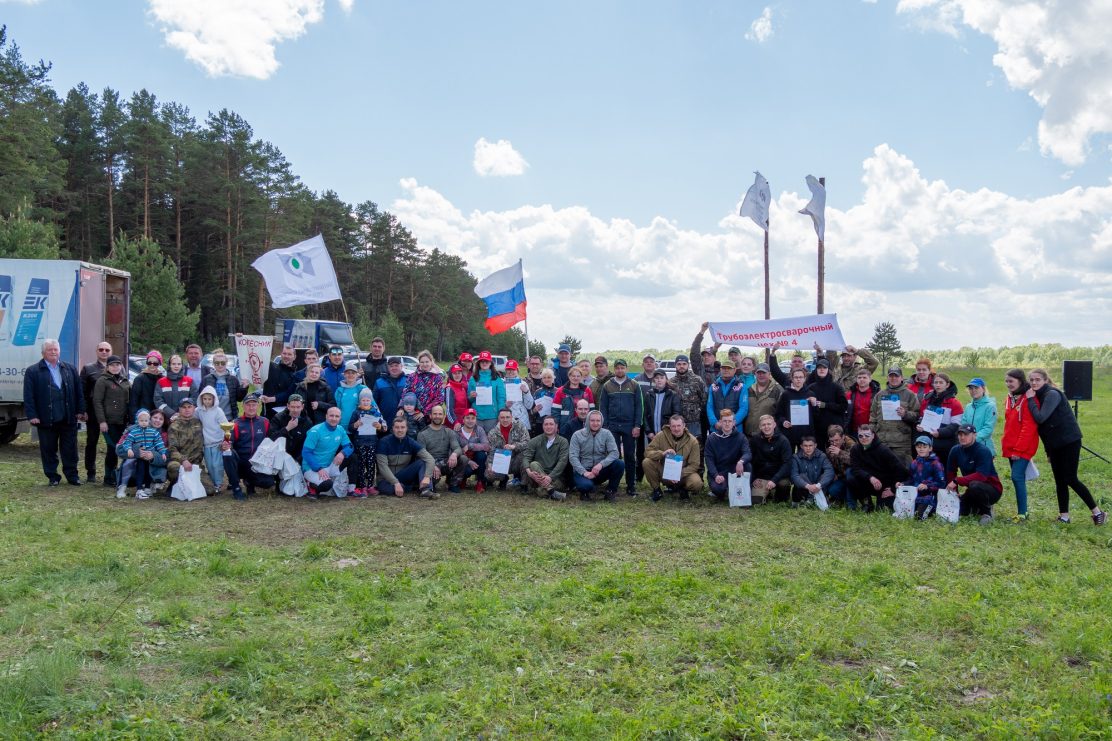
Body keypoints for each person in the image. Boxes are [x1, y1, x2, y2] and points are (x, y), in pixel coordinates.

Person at [1026, 368, 1105, 525]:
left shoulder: (1052, 394)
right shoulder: (1039, 396)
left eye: (1037, 380)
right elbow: (1045, 429)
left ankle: (1098, 512)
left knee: (1070, 478)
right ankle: (1064, 516)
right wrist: (1049, 451)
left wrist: (1029, 400)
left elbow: (1041, 418)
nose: (1034, 383)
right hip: (1055, 444)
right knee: (1059, 481)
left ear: (1045, 380)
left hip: (1069, 441)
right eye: (1032, 380)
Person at [24, 339, 86, 486]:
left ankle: (72, 476)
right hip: (46, 418)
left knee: (70, 449)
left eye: (55, 349)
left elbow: (79, 391)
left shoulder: (69, 369)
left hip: (68, 417)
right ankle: (53, 476)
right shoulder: (33, 371)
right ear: (43, 353)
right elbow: (28, 395)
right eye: (50, 349)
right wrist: (32, 415)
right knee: (48, 449)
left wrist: (80, 410)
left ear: (59, 351)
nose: (53, 352)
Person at [596, 358, 643, 496]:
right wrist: (605, 426)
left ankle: (630, 485)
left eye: (622, 368)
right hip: (612, 426)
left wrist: (637, 425)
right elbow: (602, 407)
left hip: (629, 426)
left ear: (626, 369)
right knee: (613, 456)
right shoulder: (607, 386)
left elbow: (640, 407)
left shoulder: (634, 385)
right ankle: (613, 485)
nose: (620, 370)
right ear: (614, 369)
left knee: (630, 456)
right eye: (617, 368)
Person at [1001, 369, 1039, 522]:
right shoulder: (1010, 398)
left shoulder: (1028, 399)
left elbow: (1028, 427)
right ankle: (1023, 511)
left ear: (1020, 381)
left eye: (1011, 381)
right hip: (1011, 445)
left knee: (1016, 477)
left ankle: (1022, 514)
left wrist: (1018, 449)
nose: (1008, 384)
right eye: (1007, 381)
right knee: (1019, 478)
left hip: (1022, 447)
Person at [945, 424, 1003, 524]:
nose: (962, 437)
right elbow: (951, 472)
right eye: (960, 434)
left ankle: (987, 513)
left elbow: (981, 476)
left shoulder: (983, 451)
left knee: (975, 484)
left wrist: (957, 480)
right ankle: (976, 508)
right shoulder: (955, 450)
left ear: (974, 435)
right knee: (959, 511)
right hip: (971, 490)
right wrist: (954, 493)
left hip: (992, 489)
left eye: (966, 434)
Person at [221, 392, 274, 500]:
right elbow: (228, 443)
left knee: (268, 483)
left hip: (257, 463)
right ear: (243, 406)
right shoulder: (235, 423)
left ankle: (249, 482)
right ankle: (236, 488)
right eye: (248, 405)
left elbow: (271, 442)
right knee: (228, 454)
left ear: (258, 406)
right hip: (240, 462)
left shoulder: (265, 422)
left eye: (254, 405)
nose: (251, 407)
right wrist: (226, 446)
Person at [847, 424, 908, 512]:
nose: (863, 438)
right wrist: (870, 478)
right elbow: (855, 468)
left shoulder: (883, 450)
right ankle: (867, 501)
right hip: (868, 481)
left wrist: (893, 489)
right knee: (850, 474)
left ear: (873, 436)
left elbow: (902, 471)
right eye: (860, 436)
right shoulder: (855, 449)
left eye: (867, 435)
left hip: (885, 484)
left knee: (883, 509)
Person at [643, 414, 702, 501]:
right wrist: (662, 453)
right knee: (647, 462)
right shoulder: (661, 435)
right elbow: (647, 452)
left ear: (684, 426)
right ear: (669, 427)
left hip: (683, 475)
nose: (676, 429)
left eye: (679, 426)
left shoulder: (693, 441)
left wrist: (678, 474)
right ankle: (657, 490)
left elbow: (694, 465)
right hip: (665, 473)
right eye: (673, 426)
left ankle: (683, 490)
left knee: (697, 483)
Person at [92, 354, 130, 488]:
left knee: (123, 449)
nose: (115, 367)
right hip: (109, 421)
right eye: (112, 365)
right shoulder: (102, 381)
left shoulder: (125, 381)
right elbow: (97, 402)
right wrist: (102, 421)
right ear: (107, 367)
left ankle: (122, 475)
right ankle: (109, 477)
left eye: (118, 365)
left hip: (123, 421)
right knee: (112, 448)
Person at [165, 397, 215, 497]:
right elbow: (172, 448)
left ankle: (188, 484)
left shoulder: (199, 422)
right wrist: (183, 460)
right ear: (179, 409)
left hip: (196, 465)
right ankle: (175, 483)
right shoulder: (174, 426)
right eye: (184, 407)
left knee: (209, 491)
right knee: (173, 467)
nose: (187, 409)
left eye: (189, 407)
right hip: (180, 463)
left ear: (194, 408)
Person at [869, 367, 921, 463]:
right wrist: (873, 433)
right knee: (882, 469)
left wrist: (905, 414)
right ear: (888, 378)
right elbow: (873, 416)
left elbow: (917, 415)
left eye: (896, 376)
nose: (893, 378)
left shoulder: (910, 395)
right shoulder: (879, 395)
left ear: (901, 378)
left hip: (901, 442)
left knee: (902, 471)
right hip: (882, 440)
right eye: (891, 376)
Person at [569, 410, 623, 502]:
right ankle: (585, 492)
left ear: (601, 421)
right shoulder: (577, 435)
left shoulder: (607, 434)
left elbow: (614, 453)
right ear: (587, 421)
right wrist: (584, 472)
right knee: (586, 486)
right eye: (592, 420)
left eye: (598, 421)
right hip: (583, 471)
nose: (595, 423)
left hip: (599, 471)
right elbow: (573, 457)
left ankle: (610, 491)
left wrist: (601, 465)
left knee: (619, 464)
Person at [376, 417, 436, 498]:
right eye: (397, 427)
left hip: (403, 475)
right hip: (386, 479)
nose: (400, 430)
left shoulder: (411, 442)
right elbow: (382, 467)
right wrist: (396, 483)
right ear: (393, 428)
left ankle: (425, 490)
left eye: (402, 427)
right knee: (388, 490)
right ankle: (409, 487)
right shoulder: (383, 442)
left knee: (422, 462)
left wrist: (427, 477)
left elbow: (430, 459)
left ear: (407, 428)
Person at [302, 406, 355, 499]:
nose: (334, 419)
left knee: (353, 457)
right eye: (331, 416)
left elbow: (350, 446)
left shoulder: (340, 429)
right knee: (327, 485)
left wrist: (342, 453)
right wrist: (318, 468)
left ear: (340, 418)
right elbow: (306, 452)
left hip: (329, 465)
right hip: (312, 468)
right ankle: (311, 486)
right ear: (326, 416)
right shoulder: (315, 431)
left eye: (337, 416)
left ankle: (351, 490)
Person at [114, 408, 167, 499]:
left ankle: (151, 484)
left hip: (153, 463)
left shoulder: (164, 434)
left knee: (155, 464)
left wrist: (153, 456)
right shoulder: (133, 430)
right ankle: (123, 486)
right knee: (130, 462)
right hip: (136, 461)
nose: (157, 421)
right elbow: (119, 448)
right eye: (155, 417)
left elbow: (166, 454)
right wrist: (136, 451)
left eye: (161, 419)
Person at [80, 341, 112, 482]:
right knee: (92, 442)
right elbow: (82, 392)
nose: (104, 352)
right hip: (93, 412)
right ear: (96, 351)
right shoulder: (88, 369)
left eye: (107, 349)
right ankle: (90, 472)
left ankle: (110, 472)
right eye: (101, 349)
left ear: (111, 351)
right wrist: (83, 410)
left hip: (112, 413)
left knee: (112, 444)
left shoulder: (118, 367)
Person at [916, 372, 964, 465]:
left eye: (941, 382)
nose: (938, 385)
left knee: (946, 471)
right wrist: (919, 425)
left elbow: (956, 425)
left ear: (947, 385)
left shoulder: (954, 403)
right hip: (928, 445)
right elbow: (921, 417)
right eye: (936, 382)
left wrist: (940, 433)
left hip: (946, 445)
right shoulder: (927, 400)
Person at [704, 409, 751, 501]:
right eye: (724, 421)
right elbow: (709, 460)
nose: (727, 424)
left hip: (734, 470)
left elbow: (747, 453)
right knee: (718, 490)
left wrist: (741, 461)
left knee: (747, 465)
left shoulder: (741, 437)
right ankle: (725, 490)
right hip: (719, 472)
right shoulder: (712, 438)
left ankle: (743, 490)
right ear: (720, 422)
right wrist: (716, 475)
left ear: (734, 423)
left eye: (729, 421)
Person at [346, 389, 385, 496]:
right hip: (360, 442)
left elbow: (383, 427)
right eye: (363, 400)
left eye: (368, 400)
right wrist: (356, 424)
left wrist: (379, 426)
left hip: (372, 442)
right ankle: (362, 486)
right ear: (360, 401)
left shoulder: (375, 412)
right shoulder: (356, 412)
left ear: (371, 401)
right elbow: (350, 427)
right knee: (362, 464)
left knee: (371, 464)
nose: (366, 402)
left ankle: (370, 486)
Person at [417, 405, 464, 493]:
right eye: (435, 414)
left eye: (440, 414)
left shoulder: (449, 431)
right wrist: (432, 465)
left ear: (444, 416)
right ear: (430, 416)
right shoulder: (422, 434)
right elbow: (421, 455)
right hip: (429, 464)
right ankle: (430, 484)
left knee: (463, 459)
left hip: (446, 463)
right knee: (431, 480)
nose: (437, 416)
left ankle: (453, 484)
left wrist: (454, 454)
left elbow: (457, 448)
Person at [522, 416, 570, 500]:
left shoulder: (563, 442)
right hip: (537, 476)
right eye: (546, 424)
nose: (548, 426)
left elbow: (562, 462)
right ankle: (551, 491)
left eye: (551, 424)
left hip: (555, 478)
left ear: (556, 426)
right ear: (542, 426)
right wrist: (529, 473)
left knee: (542, 492)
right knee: (533, 464)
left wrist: (550, 477)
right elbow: (526, 457)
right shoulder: (535, 440)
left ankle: (544, 490)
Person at [748, 414, 793, 504]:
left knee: (783, 486)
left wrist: (774, 480)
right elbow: (750, 461)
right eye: (763, 425)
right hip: (762, 477)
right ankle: (767, 493)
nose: (766, 427)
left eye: (769, 424)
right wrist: (753, 479)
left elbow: (787, 463)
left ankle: (776, 495)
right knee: (756, 502)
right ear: (760, 427)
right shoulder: (754, 440)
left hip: (778, 477)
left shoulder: (783, 440)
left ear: (774, 425)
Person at [804, 359, 847, 450]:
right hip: (817, 430)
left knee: (834, 457)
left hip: (833, 432)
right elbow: (805, 407)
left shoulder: (837, 387)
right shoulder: (811, 387)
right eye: (819, 367)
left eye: (824, 367)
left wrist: (825, 405)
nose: (822, 369)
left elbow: (843, 407)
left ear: (828, 370)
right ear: (816, 370)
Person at [902, 435, 946, 519]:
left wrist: (927, 486)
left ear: (930, 448)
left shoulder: (936, 463)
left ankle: (932, 510)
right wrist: (903, 484)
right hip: (915, 496)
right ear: (915, 448)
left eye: (924, 447)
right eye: (919, 447)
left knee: (919, 516)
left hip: (930, 498)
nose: (921, 449)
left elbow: (941, 483)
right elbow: (911, 480)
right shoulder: (914, 463)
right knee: (904, 514)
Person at [486, 408, 530, 489]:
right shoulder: (493, 432)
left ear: (511, 417)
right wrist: (490, 464)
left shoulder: (520, 426)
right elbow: (491, 451)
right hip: (501, 462)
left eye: (507, 417)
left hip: (516, 460)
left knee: (526, 456)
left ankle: (524, 484)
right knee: (489, 475)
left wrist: (514, 446)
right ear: (498, 418)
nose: (505, 420)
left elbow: (527, 443)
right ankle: (503, 478)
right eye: (502, 417)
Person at [196, 385, 229, 492]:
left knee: (217, 464)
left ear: (214, 399)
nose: (207, 401)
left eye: (209, 399)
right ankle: (213, 483)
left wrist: (225, 439)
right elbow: (193, 419)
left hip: (217, 442)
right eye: (204, 399)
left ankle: (218, 483)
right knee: (209, 465)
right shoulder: (199, 410)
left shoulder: (218, 411)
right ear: (201, 399)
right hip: (206, 443)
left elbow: (225, 425)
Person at [789, 436, 835, 507]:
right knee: (801, 476)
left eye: (810, 445)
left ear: (815, 445)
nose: (808, 448)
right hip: (803, 488)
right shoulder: (796, 457)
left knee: (824, 476)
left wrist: (819, 485)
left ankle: (814, 499)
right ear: (801, 446)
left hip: (818, 487)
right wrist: (808, 486)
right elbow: (794, 475)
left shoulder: (822, 456)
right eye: (805, 446)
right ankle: (811, 499)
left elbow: (830, 471)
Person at [268, 393, 312, 467]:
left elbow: (307, 445)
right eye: (293, 407)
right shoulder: (278, 418)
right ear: (288, 406)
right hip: (277, 456)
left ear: (302, 407)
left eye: (298, 407)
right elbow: (271, 438)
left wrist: (296, 461)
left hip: (297, 459)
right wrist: (287, 428)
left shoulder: (307, 422)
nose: (295, 410)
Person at [671, 354, 707, 441]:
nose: (681, 366)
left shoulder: (697, 380)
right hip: (677, 424)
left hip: (695, 423)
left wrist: (697, 412)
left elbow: (704, 399)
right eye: (679, 364)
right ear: (675, 365)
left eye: (684, 364)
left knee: (697, 449)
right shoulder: (671, 382)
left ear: (688, 365)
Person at [201, 349, 245, 421]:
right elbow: (201, 398)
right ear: (213, 363)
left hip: (229, 418)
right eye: (217, 363)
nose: (220, 365)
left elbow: (239, 398)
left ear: (226, 363)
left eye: (223, 363)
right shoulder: (206, 379)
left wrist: (244, 388)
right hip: (211, 417)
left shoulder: (233, 379)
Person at [776, 368, 813, 451]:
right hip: (790, 433)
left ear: (805, 378)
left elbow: (816, 415)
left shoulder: (810, 394)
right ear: (791, 379)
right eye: (796, 377)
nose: (798, 379)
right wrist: (783, 422)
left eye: (801, 377)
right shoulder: (786, 394)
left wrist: (814, 404)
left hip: (806, 434)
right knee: (788, 458)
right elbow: (778, 414)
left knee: (805, 459)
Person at [468, 351, 506, 432]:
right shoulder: (473, 379)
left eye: (486, 361)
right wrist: (471, 396)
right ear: (478, 363)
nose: (484, 363)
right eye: (482, 361)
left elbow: (501, 398)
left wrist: (501, 412)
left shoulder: (497, 379)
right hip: (477, 416)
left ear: (490, 363)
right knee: (477, 442)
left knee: (491, 441)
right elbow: (469, 399)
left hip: (492, 416)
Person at [455, 409, 491, 492]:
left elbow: (486, 446)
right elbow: (454, 449)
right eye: (468, 418)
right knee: (467, 470)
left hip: (477, 461)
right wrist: (468, 461)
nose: (470, 421)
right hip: (463, 460)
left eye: (473, 418)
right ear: (463, 419)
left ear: (476, 420)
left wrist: (470, 445)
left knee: (481, 455)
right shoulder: (457, 431)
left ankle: (480, 482)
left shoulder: (479, 430)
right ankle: (462, 479)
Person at [959, 377, 997, 455]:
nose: (973, 390)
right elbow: (963, 424)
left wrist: (972, 439)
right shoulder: (968, 406)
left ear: (983, 389)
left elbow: (988, 428)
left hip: (983, 448)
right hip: (968, 446)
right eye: (971, 388)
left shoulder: (990, 406)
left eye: (976, 387)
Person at [706, 360, 747, 432]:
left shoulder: (741, 386)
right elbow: (709, 406)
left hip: (735, 429)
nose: (726, 370)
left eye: (729, 368)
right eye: (724, 368)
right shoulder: (713, 386)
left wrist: (732, 423)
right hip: (716, 429)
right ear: (720, 370)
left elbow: (744, 408)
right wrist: (715, 423)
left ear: (734, 370)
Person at [261, 344, 299, 419]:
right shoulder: (270, 367)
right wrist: (241, 339)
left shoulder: (296, 375)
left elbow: (289, 393)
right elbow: (257, 355)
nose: (286, 356)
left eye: (289, 354)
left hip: (284, 415)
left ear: (294, 357)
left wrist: (271, 399)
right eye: (284, 353)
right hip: (267, 413)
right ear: (281, 354)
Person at [553, 366, 595, 433]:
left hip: (583, 425)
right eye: (573, 376)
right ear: (569, 376)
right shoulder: (561, 391)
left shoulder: (587, 390)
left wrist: (592, 423)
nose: (575, 378)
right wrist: (555, 425)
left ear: (581, 377)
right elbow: (555, 411)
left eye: (578, 376)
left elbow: (592, 409)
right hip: (566, 425)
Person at [744, 363, 782, 437]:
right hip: (749, 435)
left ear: (769, 374)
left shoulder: (777, 390)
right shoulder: (749, 390)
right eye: (759, 373)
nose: (761, 375)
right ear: (755, 374)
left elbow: (781, 414)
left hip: (768, 435)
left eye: (764, 373)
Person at [643, 369, 681, 442]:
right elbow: (645, 415)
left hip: (668, 434)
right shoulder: (649, 395)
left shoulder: (673, 395)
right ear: (654, 380)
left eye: (661, 378)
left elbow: (676, 415)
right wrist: (648, 431)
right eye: (657, 378)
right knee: (654, 453)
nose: (659, 380)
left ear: (666, 379)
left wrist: (669, 430)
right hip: (652, 435)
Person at [154, 354, 197, 418]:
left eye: (179, 364)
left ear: (182, 366)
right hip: (166, 417)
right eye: (173, 364)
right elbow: (158, 400)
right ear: (169, 365)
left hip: (185, 418)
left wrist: (184, 412)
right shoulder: (161, 382)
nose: (176, 366)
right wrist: (171, 413)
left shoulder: (189, 381)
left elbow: (194, 399)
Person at [373, 357, 409, 431]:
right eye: (391, 366)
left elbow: (413, 400)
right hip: (385, 421)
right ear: (388, 367)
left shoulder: (408, 380)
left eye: (396, 365)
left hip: (404, 423)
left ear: (401, 366)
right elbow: (374, 403)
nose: (394, 368)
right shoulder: (379, 382)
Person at [824, 424, 856, 508]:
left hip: (854, 477)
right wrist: (834, 474)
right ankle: (842, 499)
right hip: (841, 477)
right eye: (831, 441)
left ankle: (851, 504)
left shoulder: (852, 445)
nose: (834, 443)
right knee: (833, 490)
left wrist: (840, 453)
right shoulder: (829, 447)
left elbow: (855, 462)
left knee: (849, 474)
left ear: (843, 437)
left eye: (836, 440)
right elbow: (829, 464)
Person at [406, 350, 445, 417]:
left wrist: (425, 411)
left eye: (427, 362)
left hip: (430, 415)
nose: (425, 364)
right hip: (414, 414)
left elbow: (440, 398)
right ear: (419, 363)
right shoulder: (412, 377)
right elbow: (406, 394)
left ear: (431, 362)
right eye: (422, 362)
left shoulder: (437, 378)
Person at [845, 367, 879, 437]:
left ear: (870, 379)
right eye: (859, 377)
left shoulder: (877, 395)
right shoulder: (850, 395)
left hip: (871, 430)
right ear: (856, 379)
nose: (861, 380)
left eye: (864, 377)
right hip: (854, 431)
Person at [334, 360, 369, 428]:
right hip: (342, 426)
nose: (350, 375)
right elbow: (336, 408)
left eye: (353, 373)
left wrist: (381, 421)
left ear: (357, 375)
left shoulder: (363, 389)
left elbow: (373, 406)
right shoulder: (339, 390)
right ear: (344, 375)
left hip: (359, 426)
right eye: (348, 373)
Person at [129, 350, 163, 420]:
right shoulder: (139, 379)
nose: (152, 365)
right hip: (143, 417)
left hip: (158, 417)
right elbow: (134, 401)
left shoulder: (162, 379)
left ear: (159, 363)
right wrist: (134, 418)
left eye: (155, 363)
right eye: (149, 362)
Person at [502, 359, 535, 430]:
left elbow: (529, 406)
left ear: (517, 370)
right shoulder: (501, 384)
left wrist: (526, 392)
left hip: (521, 417)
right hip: (505, 417)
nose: (510, 372)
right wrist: (504, 405)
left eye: (513, 370)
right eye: (508, 369)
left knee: (523, 439)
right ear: (505, 370)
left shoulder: (523, 383)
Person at [531, 368, 559, 436]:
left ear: (553, 378)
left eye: (549, 377)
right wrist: (535, 410)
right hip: (540, 423)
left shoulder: (558, 391)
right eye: (544, 377)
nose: (546, 379)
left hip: (554, 423)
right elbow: (531, 411)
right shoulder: (537, 392)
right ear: (542, 379)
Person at [444, 364, 472, 429]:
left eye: (459, 373)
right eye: (454, 373)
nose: (457, 375)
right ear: (451, 375)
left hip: (463, 422)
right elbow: (449, 410)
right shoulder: (449, 387)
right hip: (454, 425)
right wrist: (455, 422)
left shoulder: (462, 387)